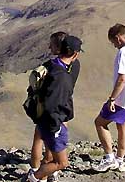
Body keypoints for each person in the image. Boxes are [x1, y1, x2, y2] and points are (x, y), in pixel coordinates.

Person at [26, 35, 83, 182]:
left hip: (49, 119)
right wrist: (55, 126)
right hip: (55, 122)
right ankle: (35, 177)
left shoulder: (51, 67)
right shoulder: (62, 75)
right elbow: (53, 105)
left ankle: (39, 174)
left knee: (50, 153)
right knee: (60, 161)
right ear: (75, 54)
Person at [93, 23, 125, 172]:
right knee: (124, 127)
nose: (114, 46)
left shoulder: (124, 52)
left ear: (118, 38)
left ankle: (110, 157)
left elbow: (122, 78)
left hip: (123, 98)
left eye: (113, 42)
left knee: (100, 122)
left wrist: (112, 99)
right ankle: (120, 160)